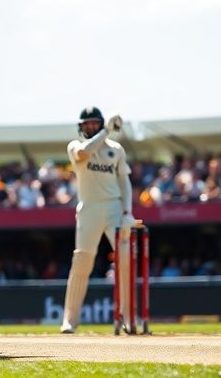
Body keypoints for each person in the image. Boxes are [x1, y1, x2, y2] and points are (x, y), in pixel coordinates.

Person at [60, 106, 135, 334]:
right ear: (82, 127)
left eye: (95, 123)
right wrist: (106, 132)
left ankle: (128, 318)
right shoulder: (75, 146)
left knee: (125, 260)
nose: (91, 127)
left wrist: (128, 212)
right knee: (82, 262)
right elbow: (84, 153)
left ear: (100, 123)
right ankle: (70, 321)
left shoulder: (116, 149)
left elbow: (124, 183)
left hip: (113, 207)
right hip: (89, 208)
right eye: (87, 124)